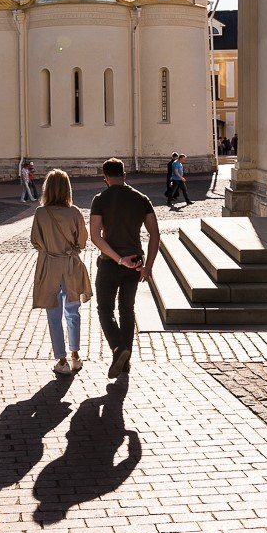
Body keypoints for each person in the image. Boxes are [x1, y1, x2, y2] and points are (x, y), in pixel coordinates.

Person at [90, 158, 160, 378]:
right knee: (127, 309)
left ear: (105, 178)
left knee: (105, 309)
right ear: (124, 175)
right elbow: (155, 234)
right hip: (136, 263)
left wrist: (118, 259)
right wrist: (148, 266)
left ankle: (119, 349)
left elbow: (95, 237)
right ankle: (126, 360)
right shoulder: (141, 198)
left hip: (110, 263)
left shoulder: (100, 199)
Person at [31, 168, 92, 375]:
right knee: (73, 312)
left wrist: (50, 246)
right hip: (71, 265)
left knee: (53, 313)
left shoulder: (41, 213)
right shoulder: (74, 212)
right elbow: (82, 242)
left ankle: (62, 359)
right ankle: (75, 356)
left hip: (49, 266)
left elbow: (35, 241)